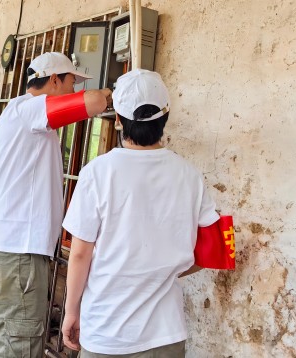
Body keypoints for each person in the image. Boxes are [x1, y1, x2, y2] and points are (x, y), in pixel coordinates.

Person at [61, 69, 224, 357]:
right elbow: (214, 250)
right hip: (166, 336)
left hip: (107, 333)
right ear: (165, 116)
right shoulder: (189, 175)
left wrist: (71, 311)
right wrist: (164, 271)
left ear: (119, 119)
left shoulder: (97, 172)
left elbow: (80, 254)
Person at [0, 52, 112, 357]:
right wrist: (111, 93)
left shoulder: (19, 114)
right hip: (17, 258)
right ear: (54, 80)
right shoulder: (29, 108)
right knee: (17, 350)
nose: (74, 89)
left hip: (6, 256)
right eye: (71, 82)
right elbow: (92, 102)